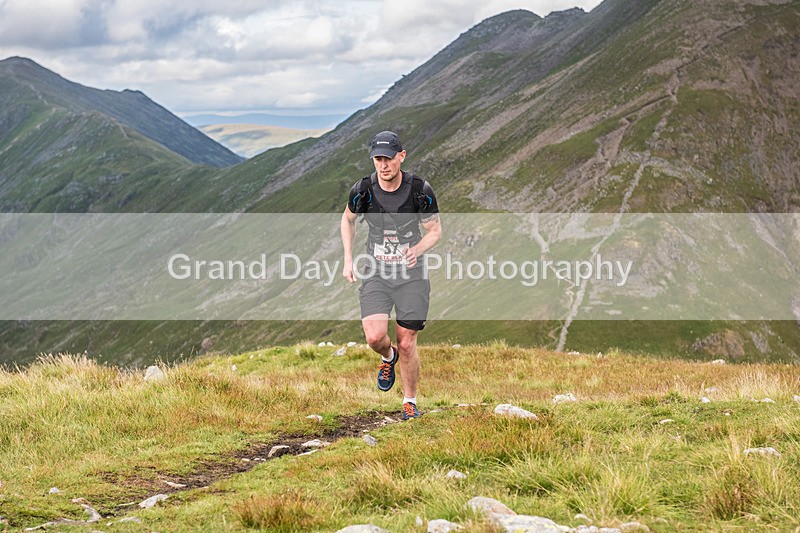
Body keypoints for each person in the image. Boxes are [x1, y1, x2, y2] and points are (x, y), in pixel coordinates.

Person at [341, 131, 441, 420]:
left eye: (388, 158)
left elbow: (435, 230)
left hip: (412, 275)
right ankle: (388, 356)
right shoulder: (363, 190)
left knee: (407, 342)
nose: (383, 165)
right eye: (378, 159)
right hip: (377, 272)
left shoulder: (419, 190)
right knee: (375, 337)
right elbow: (347, 219)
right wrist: (348, 258)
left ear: (402, 156)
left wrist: (417, 249)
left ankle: (409, 401)